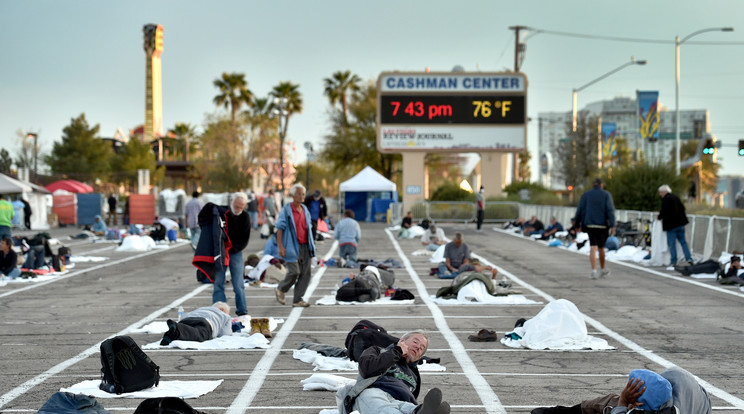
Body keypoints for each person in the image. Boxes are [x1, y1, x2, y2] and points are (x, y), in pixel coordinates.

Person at [531, 366, 711, 414]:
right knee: (611, 402)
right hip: (678, 382)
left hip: (700, 404)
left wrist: (624, 403)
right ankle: (563, 412)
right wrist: (624, 400)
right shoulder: (659, 392)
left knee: (615, 405)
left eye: (633, 405)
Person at [348, 330, 450, 414]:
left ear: (419, 357)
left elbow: (411, 397)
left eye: (421, 348)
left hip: (400, 402)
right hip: (374, 391)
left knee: (410, 408)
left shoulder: (414, 375)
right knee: (382, 407)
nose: (418, 347)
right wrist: (397, 351)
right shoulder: (377, 351)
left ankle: (420, 411)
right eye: (415, 342)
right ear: (402, 341)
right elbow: (367, 369)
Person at [275, 183, 316, 308]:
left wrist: (312, 245)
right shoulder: (286, 210)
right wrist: (281, 246)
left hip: (306, 246)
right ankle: (281, 289)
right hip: (292, 246)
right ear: (292, 195)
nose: (301, 196)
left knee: (306, 274)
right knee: (294, 272)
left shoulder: (305, 209)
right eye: (298, 194)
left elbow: (308, 229)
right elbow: (279, 229)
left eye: (303, 194)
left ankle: (298, 299)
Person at [212, 193, 251, 316]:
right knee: (218, 282)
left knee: (238, 283)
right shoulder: (222, 213)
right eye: (237, 205)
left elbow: (245, 239)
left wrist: (232, 249)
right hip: (221, 252)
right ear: (231, 202)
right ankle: (219, 311)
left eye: (241, 206)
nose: (239, 208)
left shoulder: (245, 217)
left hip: (236, 252)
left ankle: (242, 310)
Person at [573, 178, 616, 280]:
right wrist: (613, 224)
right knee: (601, 247)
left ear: (593, 185)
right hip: (602, 225)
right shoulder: (606, 195)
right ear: (601, 185)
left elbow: (580, 209)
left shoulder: (586, 195)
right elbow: (610, 210)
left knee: (593, 246)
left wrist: (577, 223)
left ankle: (593, 271)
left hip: (590, 224)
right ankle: (602, 269)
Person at [160, 302, 232, 345]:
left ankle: (170, 335)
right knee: (198, 333)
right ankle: (177, 328)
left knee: (188, 329)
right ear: (223, 310)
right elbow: (225, 333)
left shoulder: (203, 308)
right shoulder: (225, 316)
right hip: (206, 322)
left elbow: (182, 317)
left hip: (187, 318)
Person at [657, 184, 693, 266]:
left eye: (660, 192)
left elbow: (663, 212)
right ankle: (688, 258)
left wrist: (659, 217)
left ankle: (673, 261)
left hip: (671, 226)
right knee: (683, 242)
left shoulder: (666, 199)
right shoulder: (676, 197)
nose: (660, 194)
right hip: (680, 224)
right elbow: (683, 208)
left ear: (664, 192)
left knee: (672, 244)